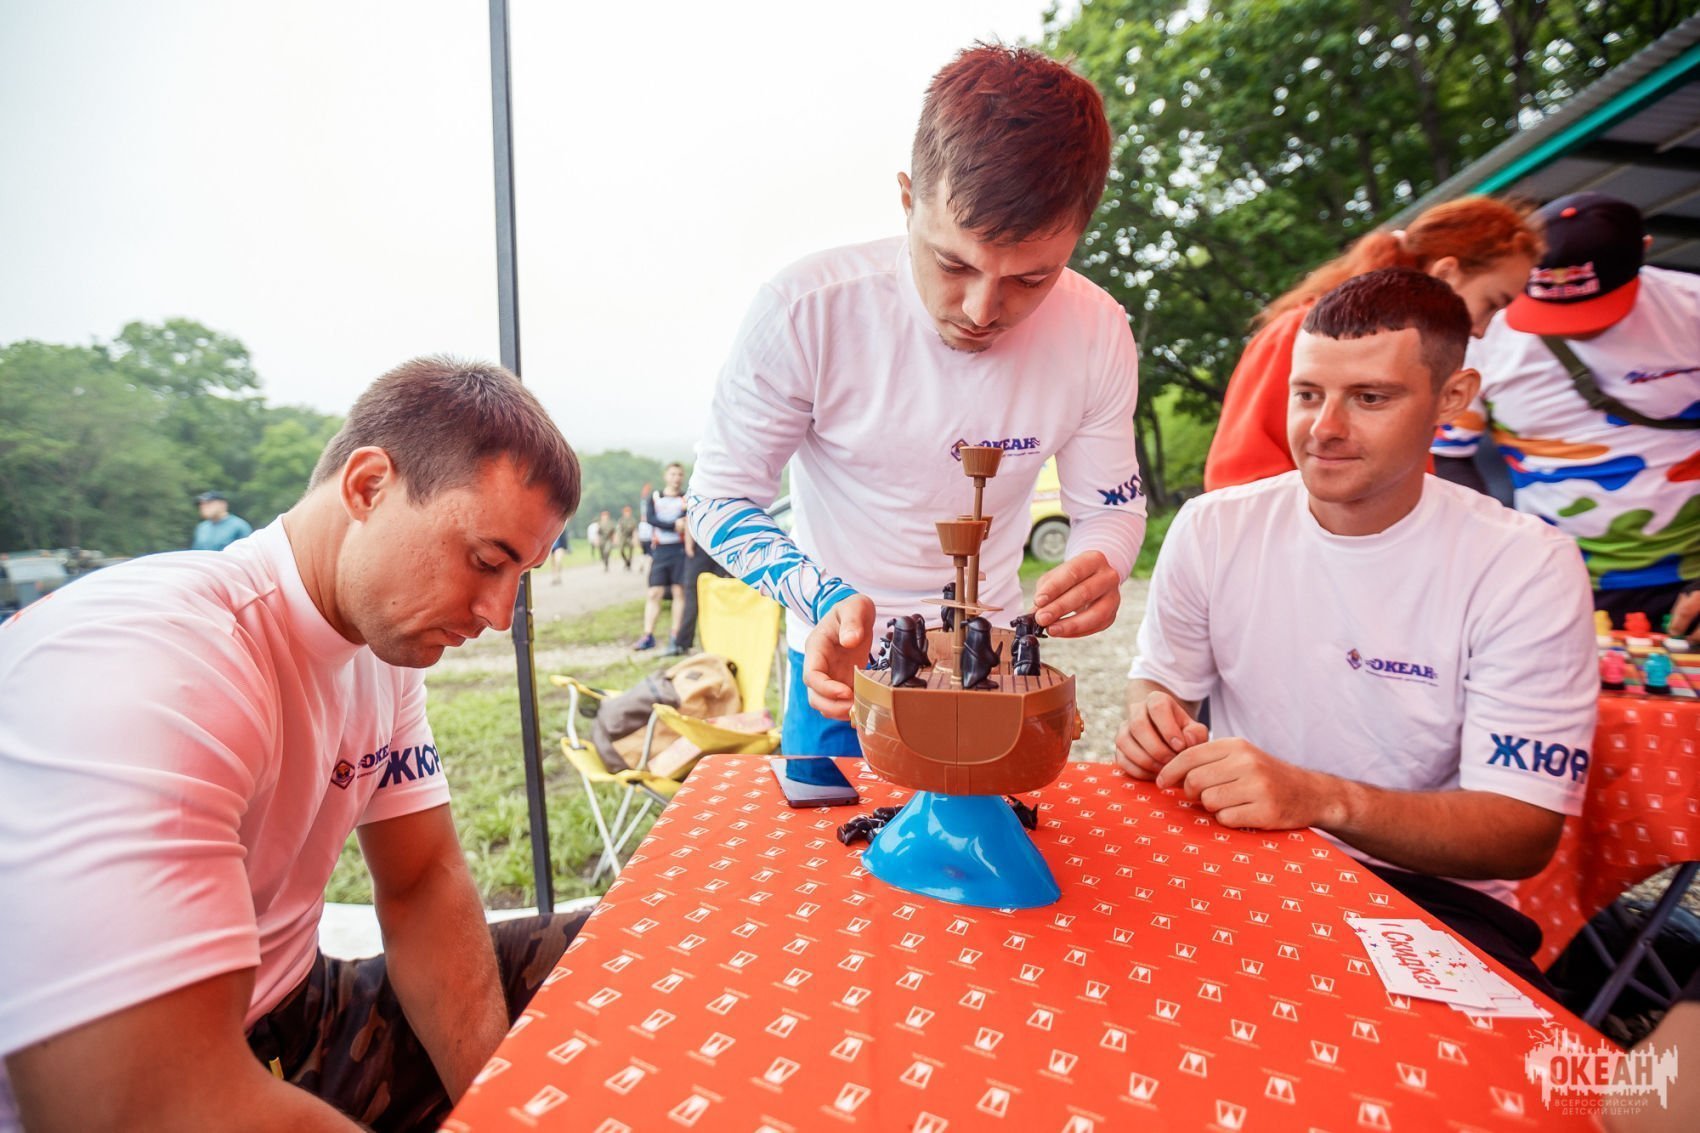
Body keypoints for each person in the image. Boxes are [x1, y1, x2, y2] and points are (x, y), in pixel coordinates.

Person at [0, 358, 585, 1132]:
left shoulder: (385, 651)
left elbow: (422, 884)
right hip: (171, 1068)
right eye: (485, 560)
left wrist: (501, 1109)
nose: (499, 613)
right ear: (368, 487)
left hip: (300, 1007)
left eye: (522, 574)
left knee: (615, 950)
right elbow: (140, 1106)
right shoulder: (154, 660)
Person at [1118, 269, 1596, 989]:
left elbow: (1521, 831)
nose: (1325, 429)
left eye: (1370, 398)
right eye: (1307, 394)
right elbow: (1162, 682)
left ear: (1453, 398)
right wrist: (1152, 721)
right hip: (1239, 859)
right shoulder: (1212, 527)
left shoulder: (1525, 564)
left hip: (1428, 900)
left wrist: (1320, 798)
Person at [687, 44, 1147, 756]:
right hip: (842, 667)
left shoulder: (1097, 331)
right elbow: (717, 499)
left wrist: (1101, 561)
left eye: (1032, 279)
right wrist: (823, 598)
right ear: (907, 201)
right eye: (953, 262)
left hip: (990, 666)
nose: (982, 309)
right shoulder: (805, 310)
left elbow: (1110, 508)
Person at [1431, 193, 1700, 634]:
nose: (1575, 327)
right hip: (1553, 582)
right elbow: (1447, 456)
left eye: (1594, 310)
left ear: (1644, 250)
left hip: (1689, 578)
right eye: (1553, 309)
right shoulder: (1482, 333)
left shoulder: (1691, 308)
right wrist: (1497, 560)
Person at [1204, 196, 1542, 491]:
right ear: (1445, 274)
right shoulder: (1299, 332)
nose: (1481, 330)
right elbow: (1239, 483)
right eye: (1491, 304)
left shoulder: (1420, 352)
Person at [635, 462, 689, 653]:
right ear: (666, 476)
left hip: (680, 550)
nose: (676, 478)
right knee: (654, 592)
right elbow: (651, 519)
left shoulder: (686, 498)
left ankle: (675, 635)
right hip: (660, 550)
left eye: (679, 475)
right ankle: (648, 635)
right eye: (673, 474)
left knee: (678, 592)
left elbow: (685, 521)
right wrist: (673, 525)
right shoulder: (655, 497)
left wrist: (677, 525)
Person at [615, 504, 638, 571]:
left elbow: (635, 530)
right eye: (626, 512)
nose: (627, 513)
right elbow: (618, 529)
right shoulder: (621, 520)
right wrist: (616, 538)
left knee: (631, 548)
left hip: (630, 537)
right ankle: (626, 561)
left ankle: (629, 561)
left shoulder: (632, 520)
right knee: (621, 550)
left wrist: (635, 538)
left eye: (628, 512)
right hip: (623, 537)